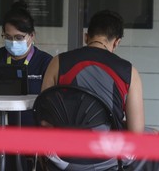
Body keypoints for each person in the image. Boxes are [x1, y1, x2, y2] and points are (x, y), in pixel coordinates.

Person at [41, 10, 147, 170]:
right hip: (108, 157)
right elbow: (136, 133)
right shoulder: (129, 72)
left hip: (62, 156)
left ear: (86, 36)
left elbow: (44, 117)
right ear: (116, 42)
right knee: (150, 135)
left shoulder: (58, 62)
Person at [0, 0, 53, 170]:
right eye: (7, 37)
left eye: (19, 37)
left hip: (28, 128)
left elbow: (53, 102)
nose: (13, 42)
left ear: (32, 36)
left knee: (12, 144)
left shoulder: (45, 62)